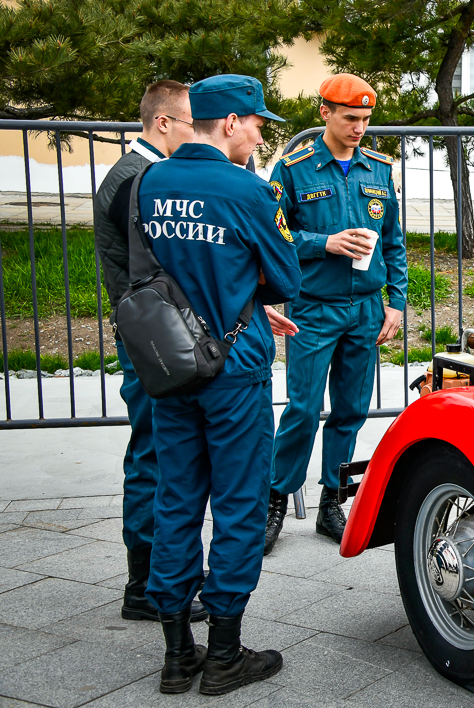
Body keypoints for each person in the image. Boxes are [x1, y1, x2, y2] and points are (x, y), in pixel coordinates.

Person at [139, 74, 301, 695]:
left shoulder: (150, 182)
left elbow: (144, 273)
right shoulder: (249, 190)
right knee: (238, 503)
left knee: (176, 499)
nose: (260, 137)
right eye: (257, 124)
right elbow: (285, 279)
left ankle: (178, 653)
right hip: (235, 368)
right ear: (230, 122)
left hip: (172, 365)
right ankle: (226, 654)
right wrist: (244, 277)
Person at [263, 73, 407, 553]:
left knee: (350, 410)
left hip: (365, 309)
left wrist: (396, 301)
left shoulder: (379, 170)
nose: (359, 128)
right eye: (350, 118)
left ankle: (333, 501)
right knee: (303, 409)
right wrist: (323, 242)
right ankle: (275, 500)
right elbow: (274, 235)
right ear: (325, 113)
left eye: (365, 119)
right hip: (314, 308)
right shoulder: (293, 168)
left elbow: (393, 241)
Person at [92, 80, 214, 624]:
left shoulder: (141, 175)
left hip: (158, 333)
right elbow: (163, 262)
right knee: (152, 455)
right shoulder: (135, 180)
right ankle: (144, 584)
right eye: (191, 123)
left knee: (162, 453)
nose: (197, 133)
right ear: (163, 123)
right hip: (153, 340)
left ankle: (164, 575)